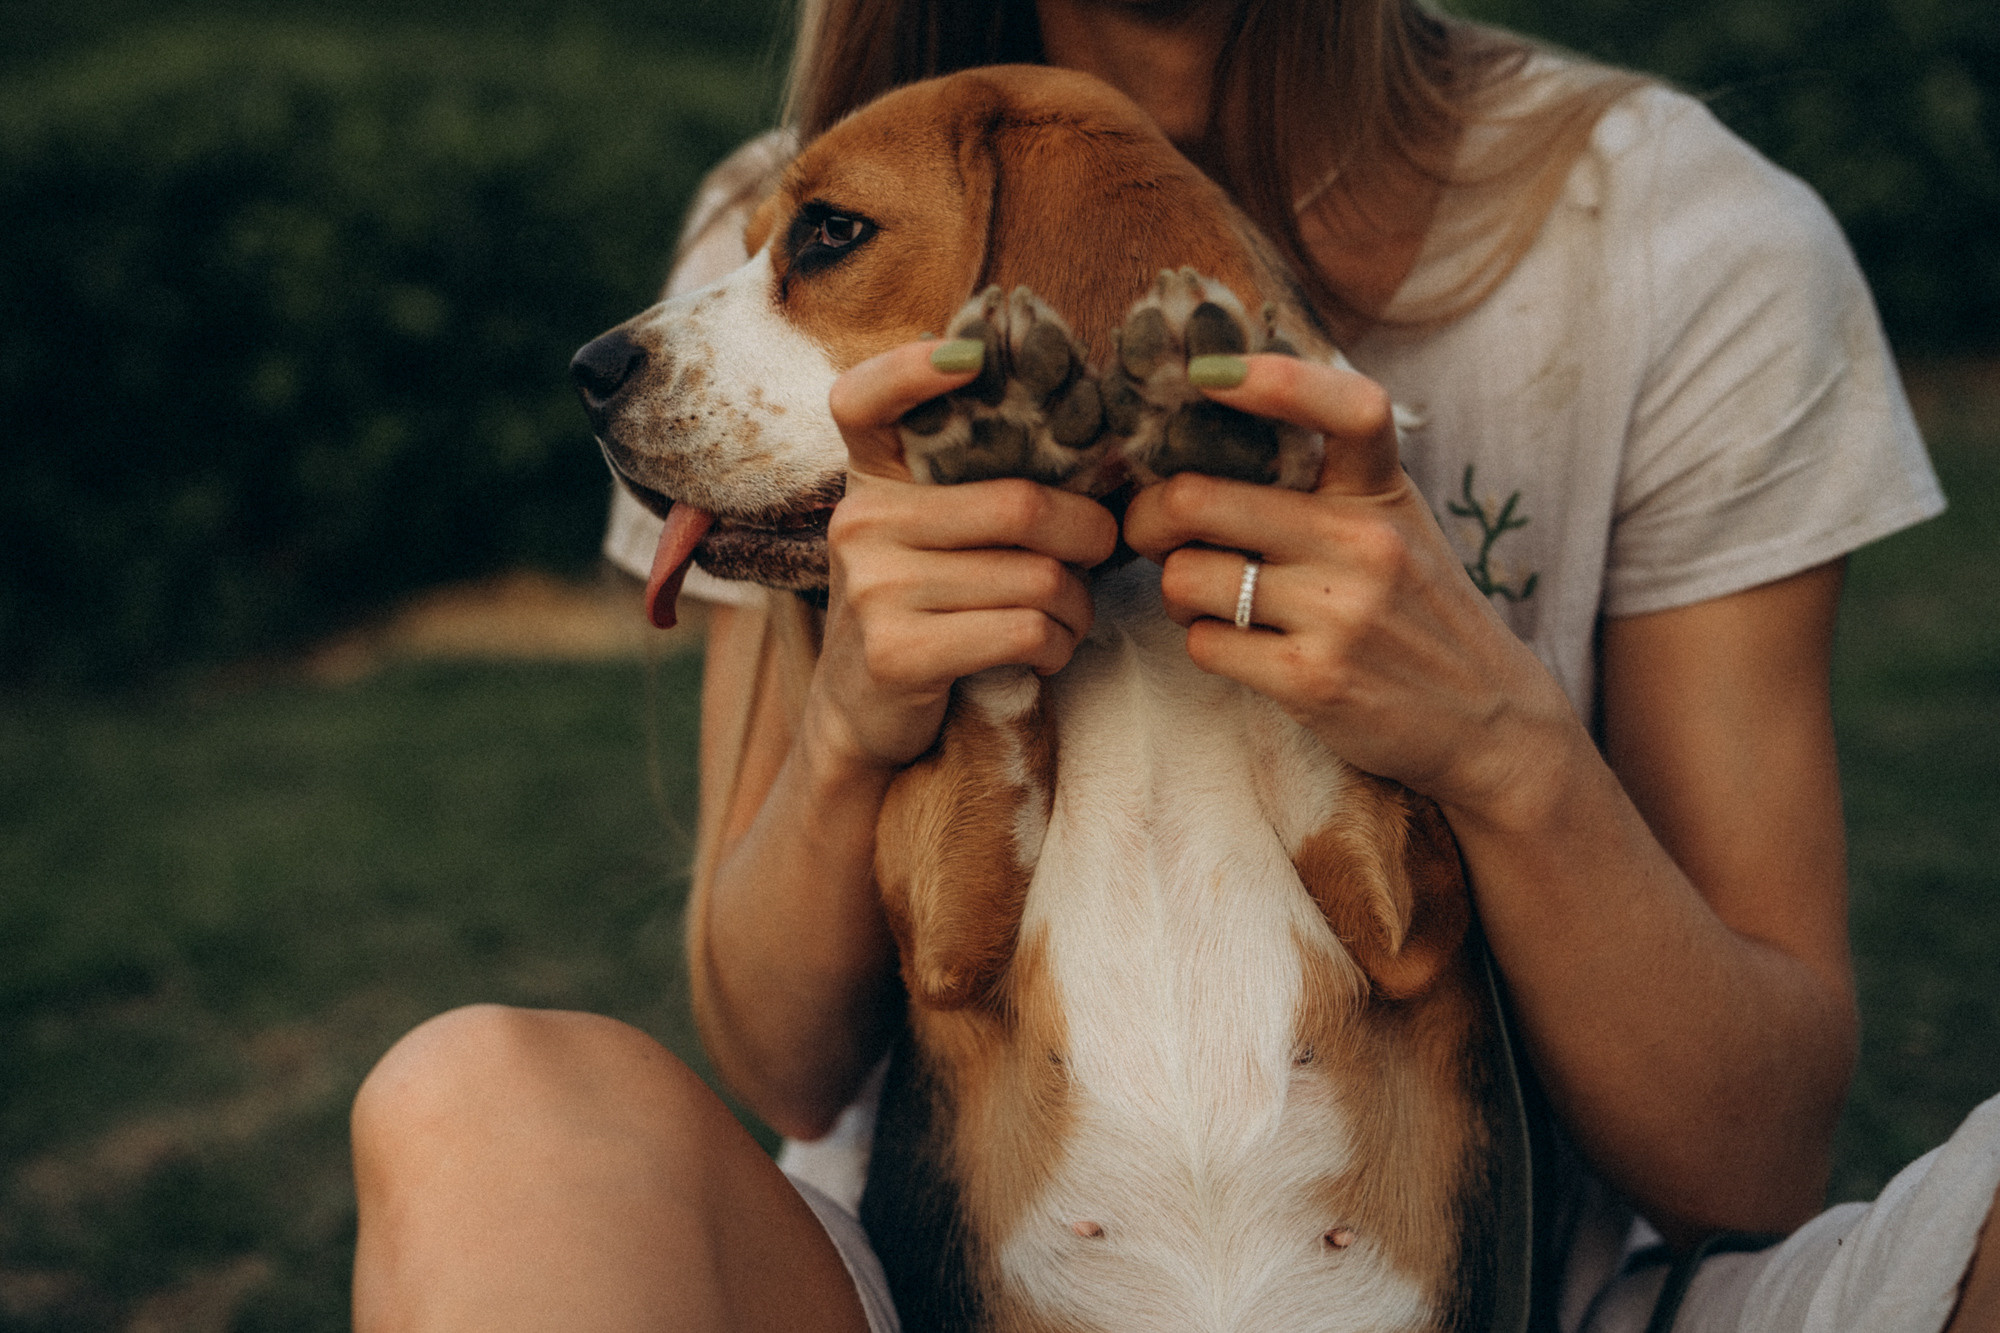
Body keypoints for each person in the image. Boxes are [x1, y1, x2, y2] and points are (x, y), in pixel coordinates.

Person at [348, 0, 2000, 1329]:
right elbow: (783, 1058)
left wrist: (1501, 744)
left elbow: (1761, 1154)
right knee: (475, 1099)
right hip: (947, 1279)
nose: (747, 300)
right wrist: (854, 718)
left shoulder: (1684, 236)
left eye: (825, 249)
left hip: (1544, 1286)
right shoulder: (813, 180)